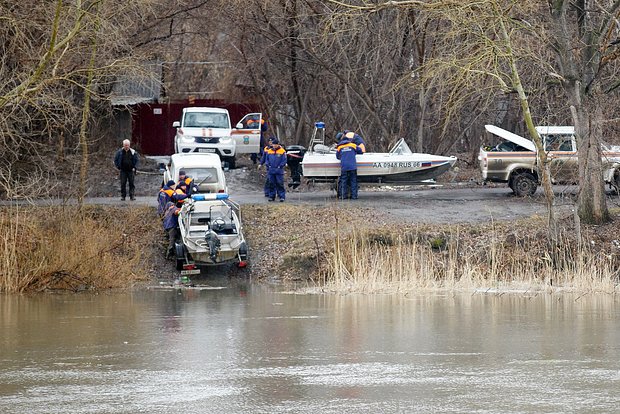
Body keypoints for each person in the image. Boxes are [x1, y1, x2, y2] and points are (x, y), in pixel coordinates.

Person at [336, 133, 363, 200]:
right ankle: (354, 196)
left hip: (344, 167)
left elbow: (337, 156)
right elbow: (360, 151)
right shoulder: (353, 145)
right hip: (352, 167)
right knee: (353, 181)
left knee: (343, 182)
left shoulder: (339, 147)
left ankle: (343, 196)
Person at [262, 137, 287, 202]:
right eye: (273, 144)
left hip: (279, 170)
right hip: (271, 170)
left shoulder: (282, 151)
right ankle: (271, 196)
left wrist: (280, 166)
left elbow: (284, 160)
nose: (274, 145)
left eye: (276, 144)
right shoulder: (269, 151)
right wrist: (268, 165)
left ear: (278, 144)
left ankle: (281, 196)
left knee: (280, 183)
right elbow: (266, 159)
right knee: (271, 183)